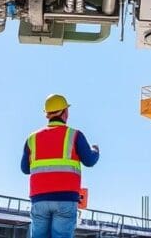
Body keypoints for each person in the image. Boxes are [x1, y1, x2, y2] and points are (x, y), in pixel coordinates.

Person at [21, 94, 100, 238]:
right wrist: (96, 151)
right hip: (65, 198)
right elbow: (89, 161)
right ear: (65, 112)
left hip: (39, 199)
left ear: (47, 114)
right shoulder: (74, 135)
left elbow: (25, 169)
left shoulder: (32, 138)